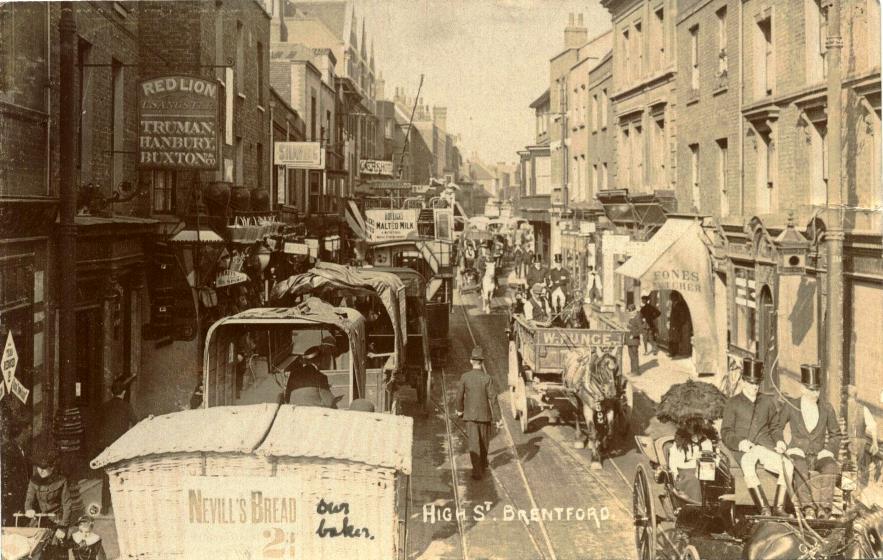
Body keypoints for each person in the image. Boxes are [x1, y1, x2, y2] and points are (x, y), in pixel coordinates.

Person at [720, 359, 792, 516]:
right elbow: (725, 432)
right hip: (745, 449)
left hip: (765, 446)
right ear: (743, 382)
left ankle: (779, 508)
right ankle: (764, 509)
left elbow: (774, 427)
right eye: (751, 383)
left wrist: (780, 441)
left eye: (757, 383)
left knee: (788, 465)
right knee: (747, 463)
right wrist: (739, 443)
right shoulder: (733, 403)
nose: (755, 387)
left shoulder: (767, 401)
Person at [774, 365, 840, 519]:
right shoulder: (791, 406)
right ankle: (808, 508)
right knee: (798, 465)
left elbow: (836, 434)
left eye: (817, 390)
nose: (814, 394)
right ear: (803, 388)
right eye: (811, 390)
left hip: (818, 456)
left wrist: (829, 449)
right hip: (798, 453)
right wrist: (782, 443)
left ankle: (825, 510)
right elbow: (777, 426)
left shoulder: (826, 408)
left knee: (831, 466)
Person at [24, 439, 80, 560]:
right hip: (39, 520)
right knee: (33, 549)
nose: (41, 471)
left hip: (57, 521)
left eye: (44, 468)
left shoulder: (61, 481)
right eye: (39, 467)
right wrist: (28, 509)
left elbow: (67, 505)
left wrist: (63, 527)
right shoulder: (34, 480)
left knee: (56, 550)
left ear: (53, 467)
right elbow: (29, 499)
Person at [456, 346, 502, 480]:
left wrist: (459, 410)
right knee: (484, 441)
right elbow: (493, 398)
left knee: (473, 443)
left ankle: (477, 471)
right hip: (485, 416)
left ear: (471, 361)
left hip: (470, 416)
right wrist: (498, 418)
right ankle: (482, 464)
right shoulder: (487, 378)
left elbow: (459, 396)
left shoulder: (465, 377)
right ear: (482, 362)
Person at [95, 377, 138, 515]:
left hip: (107, 446)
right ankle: (122, 505)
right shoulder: (127, 406)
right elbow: (136, 424)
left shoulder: (104, 406)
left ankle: (105, 507)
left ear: (111, 392)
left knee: (107, 475)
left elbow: (98, 426)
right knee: (122, 474)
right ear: (124, 393)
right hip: (121, 445)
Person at [668, 416, 718, 504]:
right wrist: (675, 474)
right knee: (694, 479)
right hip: (685, 472)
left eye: (697, 428)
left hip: (704, 470)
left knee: (716, 479)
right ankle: (697, 503)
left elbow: (710, 459)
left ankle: (712, 503)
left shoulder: (706, 442)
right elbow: (674, 461)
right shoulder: (680, 442)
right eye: (690, 426)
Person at [1, 416, 30, 526]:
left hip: (19, 494)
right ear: (22, 432)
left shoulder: (19, 448)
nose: (29, 434)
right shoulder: (8, 449)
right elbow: (6, 474)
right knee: (12, 522)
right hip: (11, 495)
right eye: (28, 431)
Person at [626, 305, 643, 376]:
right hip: (630, 340)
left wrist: (634, 335)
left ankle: (636, 372)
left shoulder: (637, 317)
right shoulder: (631, 317)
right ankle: (632, 370)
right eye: (629, 311)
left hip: (634, 340)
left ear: (634, 310)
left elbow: (641, 329)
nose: (630, 313)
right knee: (631, 356)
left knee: (634, 356)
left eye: (631, 311)